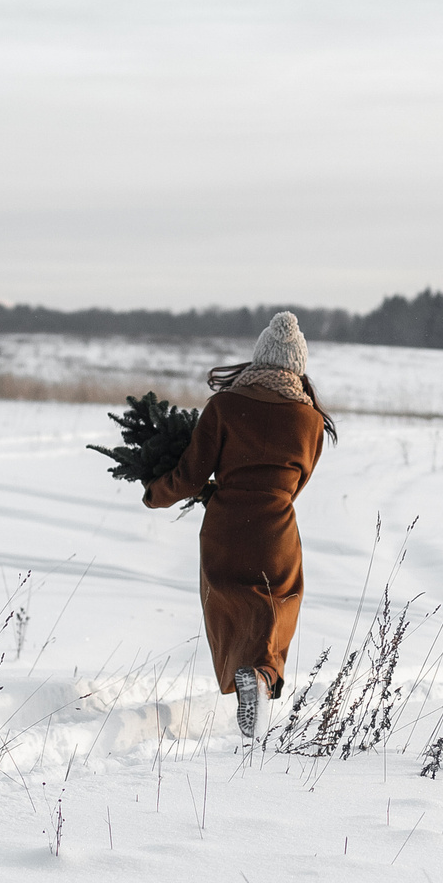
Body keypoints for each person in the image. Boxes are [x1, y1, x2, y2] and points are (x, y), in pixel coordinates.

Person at [143, 312, 336, 739]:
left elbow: (191, 476)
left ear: (258, 358)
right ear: (298, 367)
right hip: (277, 531)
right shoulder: (311, 422)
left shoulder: (224, 407)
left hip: (225, 528)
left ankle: (241, 677)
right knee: (277, 604)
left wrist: (156, 492)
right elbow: (297, 483)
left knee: (229, 604)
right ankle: (264, 675)